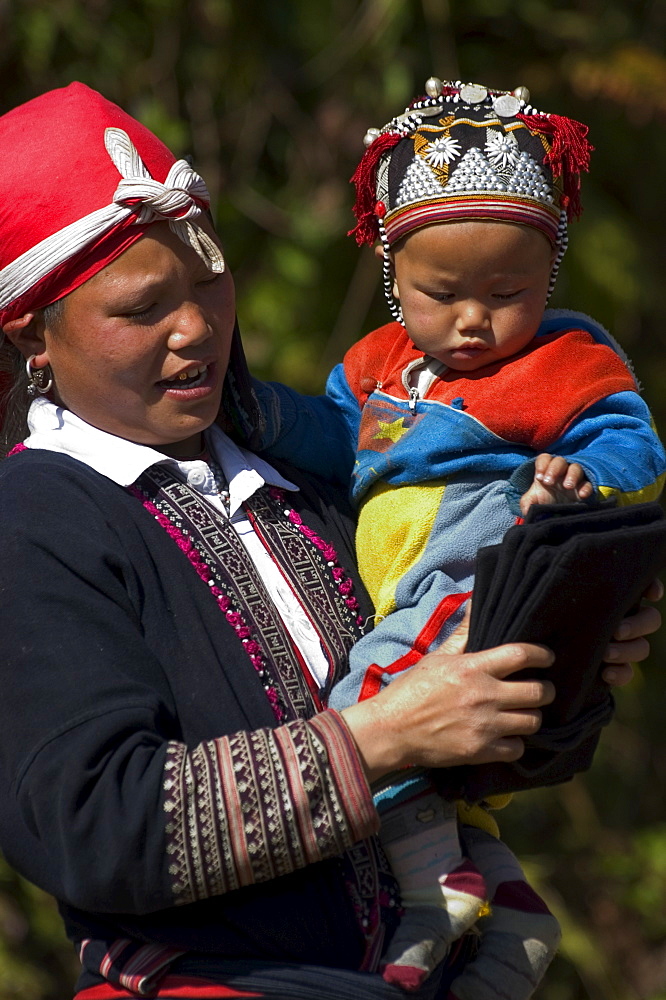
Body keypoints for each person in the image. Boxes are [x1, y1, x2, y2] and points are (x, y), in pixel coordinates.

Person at [0, 83, 658, 1000]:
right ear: (33, 332)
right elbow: (97, 827)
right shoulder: (35, 521)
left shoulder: (314, 473)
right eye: (143, 309)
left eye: (207, 281)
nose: (196, 327)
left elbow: (468, 725)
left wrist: (564, 659)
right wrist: (381, 736)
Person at [247, 79, 666, 994]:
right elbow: (334, 438)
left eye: (506, 292)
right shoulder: (378, 363)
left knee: (368, 711)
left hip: (479, 570)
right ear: (396, 277)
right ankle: (509, 911)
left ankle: (438, 893)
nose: (473, 319)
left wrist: (582, 481)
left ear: (548, 275)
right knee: (426, 749)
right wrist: (262, 416)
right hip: (403, 587)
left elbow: (633, 440)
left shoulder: (564, 360)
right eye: (442, 293)